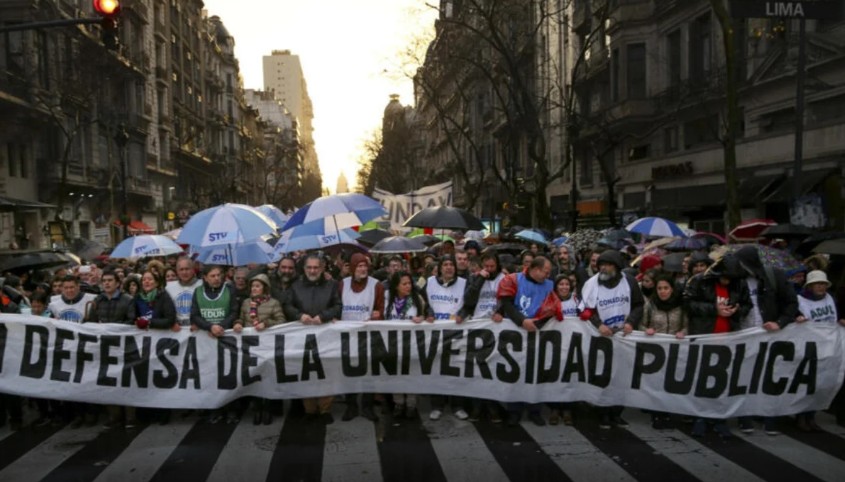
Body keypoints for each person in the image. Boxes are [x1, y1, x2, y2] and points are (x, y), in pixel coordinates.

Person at [684, 254, 751, 438]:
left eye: (731, 278)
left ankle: (719, 419)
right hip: (704, 337)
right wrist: (715, 309)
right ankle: (700, 417)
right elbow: (688, 304)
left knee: (722, 382)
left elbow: (747, 305)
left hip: (728, 339)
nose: (727, 281)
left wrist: (737, 311)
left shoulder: (739, 284)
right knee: (701, 380)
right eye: (724, 277)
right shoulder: (699, 281)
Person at [735, 245, 798, 436]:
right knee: (743, 377)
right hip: (744, 335)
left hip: (770, 337)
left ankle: (769, 417)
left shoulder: (774, 277)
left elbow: (791, 303)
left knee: (769, 377)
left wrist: (780, 322)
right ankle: (745, 417)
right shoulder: (736, 280)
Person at [581, 250, 644, 429]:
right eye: (601, 264)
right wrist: (598, 324)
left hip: (623, 337)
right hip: (601, 337)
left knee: (622, 377)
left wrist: (631, 322)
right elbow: (585, 309)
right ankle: (603, 413)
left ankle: (616, 412)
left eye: (607, 265)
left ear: (616, 267)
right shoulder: (591, 284)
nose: (603, 268)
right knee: (603, 375)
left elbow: (639, 305)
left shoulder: (629, 282)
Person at [497, 256, 562, 426]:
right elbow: (507, 305)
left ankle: (535, 410)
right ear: (535, 269)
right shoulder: (513, 280)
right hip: (516, 334)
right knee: (515, 373)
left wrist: (539, 323)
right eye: (545, 272)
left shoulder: (549, 285)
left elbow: (552, 308)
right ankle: (514, 410)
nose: (547, 275)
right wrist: (522, 321)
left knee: (536, 373)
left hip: (538, 334)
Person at [284, 254, 343, 424]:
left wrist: (324, 316)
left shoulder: (331, 285)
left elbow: (338, 306)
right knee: (306, 372)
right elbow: (287, 305)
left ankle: (325, 409)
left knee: (327, 371)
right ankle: (309, 409)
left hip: (326, 336)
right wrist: (299, 315)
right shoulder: (295, 286)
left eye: (316, 267)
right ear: (304, 269)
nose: (312, 270)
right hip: (302, 337)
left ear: (322, 268)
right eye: (309, 267)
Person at [459, 252, 505, 423]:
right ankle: (477, 406)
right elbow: (468, 300)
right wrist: (479, 279)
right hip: (477, 328)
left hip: (495, 329)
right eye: (486, 266)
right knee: (477, 368)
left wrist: (501, 312)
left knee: (492, 369)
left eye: (492, 267)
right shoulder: (474, 278)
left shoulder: (504, 279)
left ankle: (492, 406)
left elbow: (508, 300)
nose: (489, 270)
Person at [421, 254, 468, 421]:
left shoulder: (464, 283)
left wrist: (462, 314)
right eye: (445, 264)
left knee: (456, 370)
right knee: (436, 370)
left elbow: (469, 304)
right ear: (440, 268)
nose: (449, 267)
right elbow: (423, 302)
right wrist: (428, 313)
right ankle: (437, 406)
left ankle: (457, 406)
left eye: (451, 264)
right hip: (435, 334)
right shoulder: (430, 282)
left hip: (456, 333)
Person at [191, 264, 240, 423]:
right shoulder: (198, 292)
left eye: (219, 275)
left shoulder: (230, 289)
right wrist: (210, 327)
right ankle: (215, 408)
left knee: (229, 375)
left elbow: (234, 312)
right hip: (207, 340)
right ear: (205, 278)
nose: (217, 278)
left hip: (226, 338)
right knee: (210, 376)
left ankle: (232, 409)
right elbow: (194, 315)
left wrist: (221, 327)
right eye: (212, 276)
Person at [235, 273, 285, 425]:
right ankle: (257, 408)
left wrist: (267, 323)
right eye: (252, 286)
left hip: (268, 346)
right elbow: (241, 318)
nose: (254, 289)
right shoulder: (246, 303)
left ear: (265, 288)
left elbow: (281, 320)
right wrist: (238, 323)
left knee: (268, 375)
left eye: (257, 286)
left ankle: (268, 408)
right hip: (250, 346)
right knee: (254, 376)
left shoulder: (274, 303)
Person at [338, 253, 383, 422]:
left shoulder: (376, 285)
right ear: (353, 268)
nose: (363, 269)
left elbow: (381, 309)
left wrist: (378, 315)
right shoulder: (342, 284)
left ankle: (367, 406)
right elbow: (336, 305)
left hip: (368, 336)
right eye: (359, 266)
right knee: (348, 371)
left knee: (368, 371)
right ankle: (351, 405)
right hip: (347, 336)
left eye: (365, 266)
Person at [640, 274, 687, 429]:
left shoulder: (680, 306)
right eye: (659, 288)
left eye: (666, 288)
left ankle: (669, 413)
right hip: (656, 352)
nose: (662, 291)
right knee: (656, 383)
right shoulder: (650, 305)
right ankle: (656, 414)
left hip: (675, 351)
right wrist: (647, 330)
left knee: (671, 383)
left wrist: (683, 332)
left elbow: (686, 325)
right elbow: (641, 324)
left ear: (672, 289)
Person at [134, 268, 178, 425]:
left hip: (160, 344)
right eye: (144, 279)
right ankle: (146, 413)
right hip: (142, 344)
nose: (146, 282)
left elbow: (170, 319)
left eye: (150, 279)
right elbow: (132, 317)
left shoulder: (163, 297)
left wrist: (150, 322)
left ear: (157, 283)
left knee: (159, 377)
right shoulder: (137, 298)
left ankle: (163, 412)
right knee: (143, 378)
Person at [384, 271, 429, 419]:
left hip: (412, 344)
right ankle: (398, 402)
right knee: (395, 374)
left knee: (411, 374)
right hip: (392, 344)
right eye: (404, 284)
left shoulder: (417, 298)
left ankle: (411, 403)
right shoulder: (387, 298)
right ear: (396, 286)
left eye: (409, 283)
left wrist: (422, 318)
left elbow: (428, 314)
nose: (408, 286)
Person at [550, 273, 581, 426]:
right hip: (554, 345)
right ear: (556, 287)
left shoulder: (576, 300)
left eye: (567, 284)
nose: (564, 287)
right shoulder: (550, 300)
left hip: (572, 344)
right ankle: (555, 409)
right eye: (561, 284)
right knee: (555, 376)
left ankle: (568, 409)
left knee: (569, 377)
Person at [165, 257, 203, 328]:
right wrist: (171, 323)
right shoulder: (169, 287)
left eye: (187, 269)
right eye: (181, 269)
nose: (184, 272)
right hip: (177, 329)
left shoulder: (202, 285)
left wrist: (200, 323)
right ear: (177, 271)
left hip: (197, 328)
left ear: (193, 270)